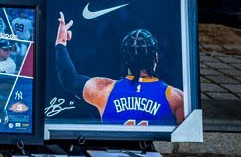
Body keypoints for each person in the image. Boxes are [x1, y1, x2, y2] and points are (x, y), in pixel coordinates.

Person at [55, 12, 185, 125]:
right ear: (156, 58)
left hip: (114, 146)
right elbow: (185, 139)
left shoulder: (104, 90)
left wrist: (60, 42)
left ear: (125, 59)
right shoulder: (175, 97)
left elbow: (69, 80)